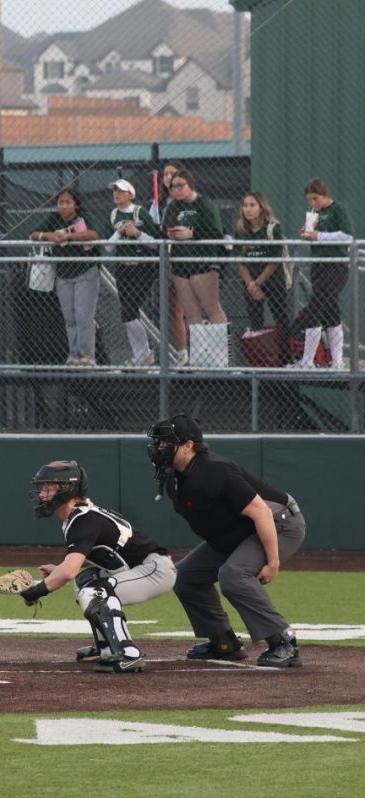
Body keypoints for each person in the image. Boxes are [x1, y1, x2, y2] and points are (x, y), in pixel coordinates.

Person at [148, 414, 304, 668]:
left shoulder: (214, 470)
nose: (160, 448)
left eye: (166, 442)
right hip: (237, 532)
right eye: (159, 442)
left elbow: (261, 512)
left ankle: (284, 642)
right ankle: (224, 643)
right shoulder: (174, 475)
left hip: (279, 524)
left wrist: (273, 562)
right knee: (185, 577)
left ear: (188, 445)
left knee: (233, 575)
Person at [21, 460, 176, 673]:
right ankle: (107, 647)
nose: (42, 494)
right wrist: (58, 568)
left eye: (49, 487)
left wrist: (36, 591)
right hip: (142, 567)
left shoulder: (83, 519)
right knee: (86, 580)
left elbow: (68, 571)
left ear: (67, 489)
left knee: (96, 591)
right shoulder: (79, 516)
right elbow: (78, 563)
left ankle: (128, 652)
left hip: (155, 569)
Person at [30, 188, 101, 366]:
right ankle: (74, 355)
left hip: (85, 272)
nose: (63, 206)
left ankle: (88, 357)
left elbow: (94, 234)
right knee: (70, 317)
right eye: (60, 202)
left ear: (75, 204)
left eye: (68, 202)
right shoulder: (54, 218)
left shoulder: (83, 216)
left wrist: (69, 236)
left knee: (83, 316)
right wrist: (48, 235)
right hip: (63, 275)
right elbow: (33, 234)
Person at [164, 170, 228, 367]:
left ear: (190, 184)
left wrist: (192, 234)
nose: (176, 190)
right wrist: (173, 234)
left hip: (202, 262)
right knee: (191, 314)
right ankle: (200, 357)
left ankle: (220, 358)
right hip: (180, 264)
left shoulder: (204, 203)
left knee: (212, 308)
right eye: (173, 186)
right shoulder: (173, 207)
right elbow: (163, 230)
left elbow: (216, 232)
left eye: (180, 185)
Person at [294, 178, 354, 369]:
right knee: (330, 310)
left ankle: (307, 361)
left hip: (336, 266)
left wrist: (319, 236)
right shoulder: (314, 213)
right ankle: (337, 361)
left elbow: (347, 236)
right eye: (309, 200)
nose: (312, 203)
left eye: (315, 198)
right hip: (318, 266)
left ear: (324, 195)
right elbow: (314, 237)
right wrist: (308, 234)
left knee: (316, 306)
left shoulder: (338, 210)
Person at [106, 179, 161, 367]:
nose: (116, 194)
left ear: (130, 194)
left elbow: (156, 242)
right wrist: (120, 232)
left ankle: (144, 354)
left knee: (129, 309)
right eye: (114, 190)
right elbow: (108, 247)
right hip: (123, 267)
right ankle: (140, 355)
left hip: (142, 267)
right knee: (127, 312)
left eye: (121, 190)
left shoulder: (140, 212)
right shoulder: (114, 214)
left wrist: (137, 233)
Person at [236, 192, 289, 334]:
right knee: (255, 322)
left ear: (261, 207)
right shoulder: (241, 231)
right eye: (245, 205)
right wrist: (251, 285)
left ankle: (286, 355)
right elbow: (240, 262)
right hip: (251, 284)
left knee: (281, 319)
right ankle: (259, 354)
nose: (248, 209)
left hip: (272, 282)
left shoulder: (272, 228)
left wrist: (258, 283)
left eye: (252, 205)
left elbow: (274, 260)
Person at [156, 162, 190, 367]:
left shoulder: (187, 202)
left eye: (172, 173)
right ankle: (182, 353)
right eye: (165, 174)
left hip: (186, 260)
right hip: (166, 260)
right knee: (173, 308)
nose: (167, 177)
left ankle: (209, 354)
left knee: (193, 309)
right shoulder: (159, 202)